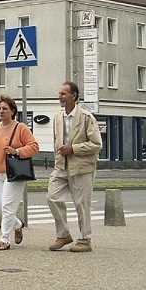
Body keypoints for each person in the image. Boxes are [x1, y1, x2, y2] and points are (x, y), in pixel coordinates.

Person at [47, 81, 103, 252]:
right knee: (52, 197)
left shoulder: (86, 117)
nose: (60, 97)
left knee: (82, 204)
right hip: (62, 165)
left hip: (82, 167)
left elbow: (96, 144)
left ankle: (85, 240)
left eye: (63, 94)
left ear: (74, 95)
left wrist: (74, 148)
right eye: (59, 93)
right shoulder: (57, 117)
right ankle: (63, 235)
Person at [0, 95, 39, 251]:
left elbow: (34, 146)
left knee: (7, 206)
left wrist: (17, 151)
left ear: (13, 111)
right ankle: (18, 225)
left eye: (5, 108)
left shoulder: (21, 128)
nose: (1, 111)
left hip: (14, 173)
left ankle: (4, 239)